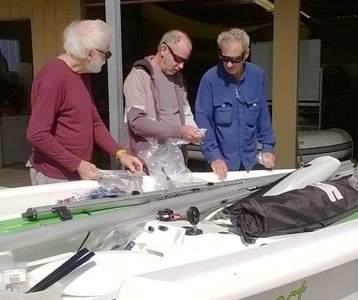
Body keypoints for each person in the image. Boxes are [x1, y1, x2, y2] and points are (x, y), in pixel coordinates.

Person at [26, 19, 143, 185]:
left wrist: (120, 153)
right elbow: (37, 134)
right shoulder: (53, 78)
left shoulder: (82, 75)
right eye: (106, 54)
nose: (106, 60)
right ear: (89, 53)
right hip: (54, 176)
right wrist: (77, 164)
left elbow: (94, 121)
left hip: (75, 173)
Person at [195, 28, 276, 180]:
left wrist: (268, 147)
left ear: (246, 54)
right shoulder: (210, 79)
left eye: (235, 59)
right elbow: (203, 120)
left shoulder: (257, 75)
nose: (229, 64)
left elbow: (263, 115)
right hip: (220, 163)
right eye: (225, 58)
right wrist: (214, 156)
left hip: (249, 162)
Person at [123, 30, 203, 161]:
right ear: (164, 49)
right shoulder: (139, 75)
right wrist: (179, 132)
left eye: (184, 61)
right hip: (147, 161)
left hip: (176, 160)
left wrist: (194, 132)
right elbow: (137, 122)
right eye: (178, 59)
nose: (181, 66)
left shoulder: (178, 79)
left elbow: (186, 113)